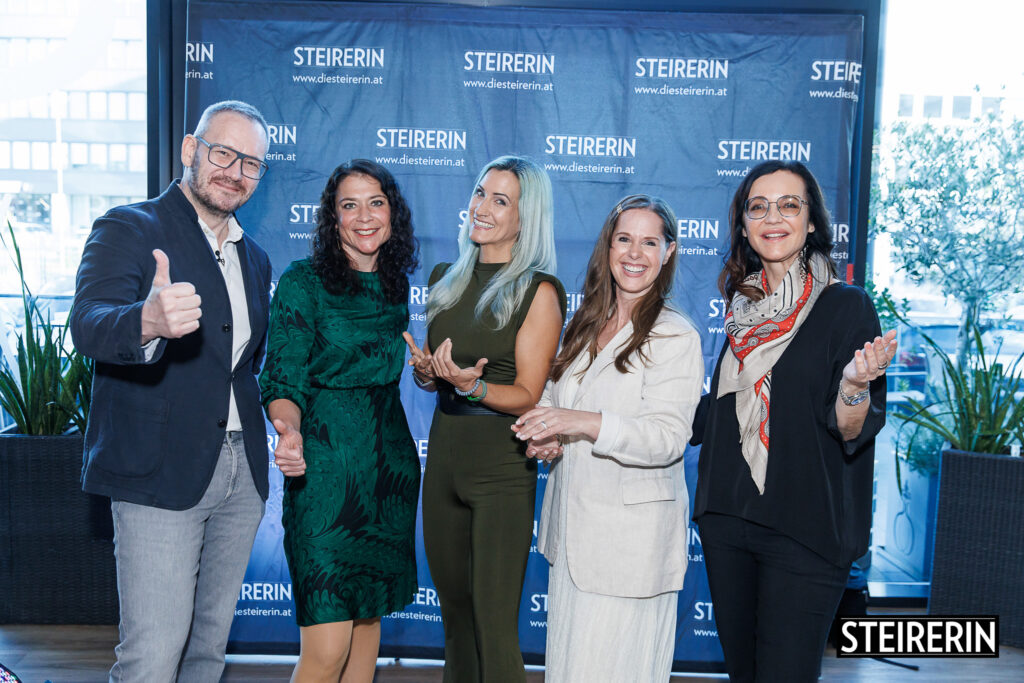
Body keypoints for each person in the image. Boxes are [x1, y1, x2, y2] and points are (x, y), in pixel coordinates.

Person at [70, 100, 273, 681]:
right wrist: (147, 320)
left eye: (251, 164)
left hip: (241, 474)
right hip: (157, 471)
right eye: (223, 153)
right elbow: (87, 323)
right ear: (190, 150)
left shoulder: (254, 258)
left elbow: (244, 364)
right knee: (152, 658)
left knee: (207, 652)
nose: (235, 172)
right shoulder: (129, 227)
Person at [690, 160, 898, 682]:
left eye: (789, 205)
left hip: (805, 529)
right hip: (728, 519)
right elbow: (716, 411)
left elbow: (850, 429)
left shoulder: (846, 307)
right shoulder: (743, 308)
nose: (773, 217)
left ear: (811, 222)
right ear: (743, 226)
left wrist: (853, 385)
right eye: (758, 207)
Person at [514, 194, 704, 682]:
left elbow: (667, 439)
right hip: (571, 541)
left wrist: (579, 422)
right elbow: (555, 401)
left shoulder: (675, 336)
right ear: (608, 246)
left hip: (630, 550)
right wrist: (546, 439)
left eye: (649, 242)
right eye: (624, 239)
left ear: (669, 252)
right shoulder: (585, 323)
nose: (634, 253)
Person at [404, 155, 566, 682]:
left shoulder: (538, 290)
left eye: (501, 200)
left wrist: (472, 386)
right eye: (480, 193)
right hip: (444, 460)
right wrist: (428, 374)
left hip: (500, 466)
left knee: (494, 628)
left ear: (525, 218)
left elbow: (527, 394)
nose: (482, 207)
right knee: (455, 622)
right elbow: (440, 379)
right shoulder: (444, 280)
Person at [260, 159, 420, 682]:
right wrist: (288, 430)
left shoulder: (395, 284)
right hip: (324, 474)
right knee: (327, 650)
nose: (364, 216)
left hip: (387, 472)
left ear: (393, 212)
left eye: (376, 202)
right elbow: (282, 379)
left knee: (367, 624)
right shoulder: (302, 282)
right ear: (333, 218)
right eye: (349, 205)